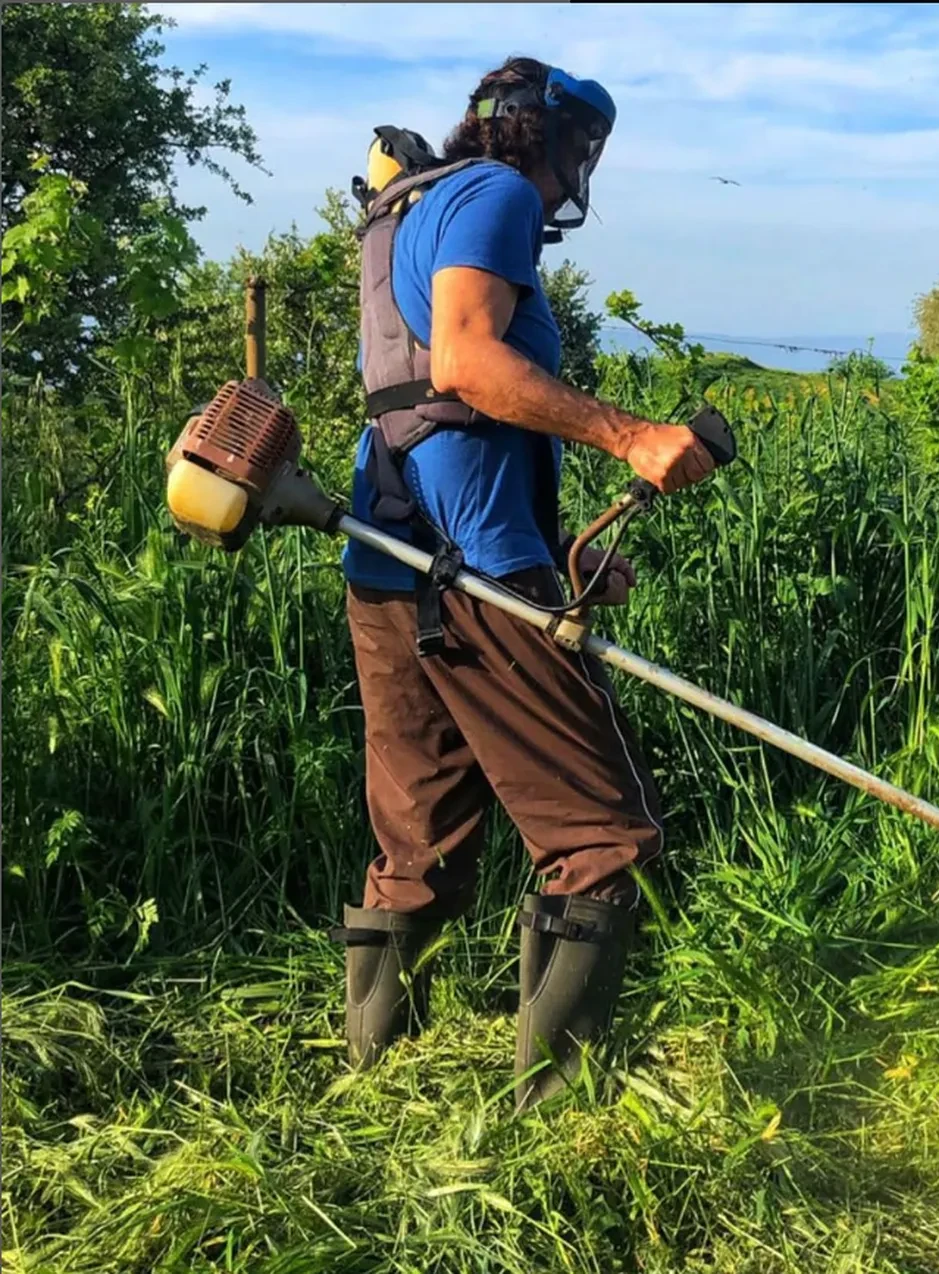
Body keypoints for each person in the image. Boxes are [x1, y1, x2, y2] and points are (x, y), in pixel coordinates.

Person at [330, 56, 716, 1109]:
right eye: (583, 149)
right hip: (472, 572)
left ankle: (371, 1083)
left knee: (417, 842)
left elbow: (430, 416)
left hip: (390, 561)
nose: (579, 172)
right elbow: (465, 367)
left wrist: (564, 557)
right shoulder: (498, 194)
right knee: (603, 834)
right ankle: (559, 1114)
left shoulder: (417, 208)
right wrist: (632, 435)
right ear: (554, 140)